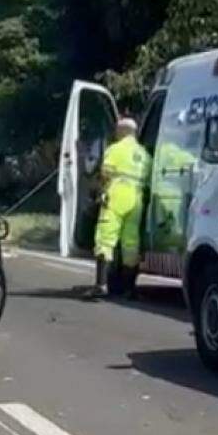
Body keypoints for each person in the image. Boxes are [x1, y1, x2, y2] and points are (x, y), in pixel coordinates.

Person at [86, 117, 151, 300]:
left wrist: (97, 194)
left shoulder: (115, 149)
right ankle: (129, 289)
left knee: (105, 239)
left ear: (122, 132)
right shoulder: (145, 155)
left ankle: (101, 285)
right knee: (131, 243)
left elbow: (105, 174)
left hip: (116, 196)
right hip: (136, 200)